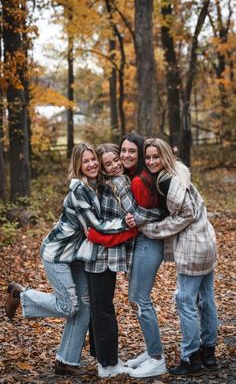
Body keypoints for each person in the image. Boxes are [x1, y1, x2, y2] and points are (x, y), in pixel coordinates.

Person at [5, 142, 133, 377]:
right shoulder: (79, 191)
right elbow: (95, 226)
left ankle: (66, 361)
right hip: (57, 254)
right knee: (69, 306)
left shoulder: (96, 184)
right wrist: (126, 223)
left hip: (75, 256)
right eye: (86, 161)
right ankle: (21, 294)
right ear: (78, 165)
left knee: (83, 307)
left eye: (94, 159)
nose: (92, 163)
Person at [88, 137, 167, 378]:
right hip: (136, 243)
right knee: (136, 299)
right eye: (112, 159)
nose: (118, 161)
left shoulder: (128, 180)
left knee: (139, 299)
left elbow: (134, 214)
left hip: (146, 242)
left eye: (120, 156)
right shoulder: (117, 181)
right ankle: (152, 351)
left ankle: (157, 358)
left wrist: (157, 215)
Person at [141, 138, 218, 376]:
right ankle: (209, 354)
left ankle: (191, 356)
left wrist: (152, 229)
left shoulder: (168, 180)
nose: (152, 161)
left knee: (185, 300)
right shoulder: (180, 171)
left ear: (166, 156)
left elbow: (185, 214)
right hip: (207, 240)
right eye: (148, 157)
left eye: (156, 157)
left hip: (193, 245)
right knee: (206, 298)